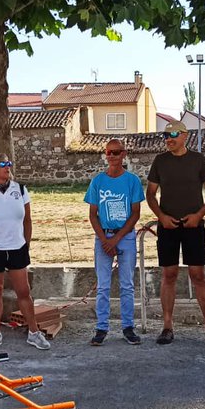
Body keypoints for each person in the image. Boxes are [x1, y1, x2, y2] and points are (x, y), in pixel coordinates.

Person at [146, 120, 205, 345]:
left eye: (172, 134)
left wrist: (198, 216)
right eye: (165, 135)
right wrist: (161, 217)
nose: (168, 139)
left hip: (193, 227)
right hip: (167, 227)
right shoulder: (160, 161)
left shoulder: (198, 160)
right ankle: (167, 327)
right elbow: (150, 194)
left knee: (198, 276)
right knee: (168, 276)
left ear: (184, 135)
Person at [0, 153, 51, 351]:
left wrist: (26, 243)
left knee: (23, 291)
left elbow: (27, 220)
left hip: (17, 247)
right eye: (3, 164)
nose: (8, 167)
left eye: (9, 163)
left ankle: (33, 332)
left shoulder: (20, 189)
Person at [84, 138, 144, 346]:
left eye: (116, 152)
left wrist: (116, 239)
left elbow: (135, 214)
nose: (112, 156)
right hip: (103, 236)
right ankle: (102, 327)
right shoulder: (97, 182)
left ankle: (128, 326)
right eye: (109, 152)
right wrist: (104, 240)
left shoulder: (132, 181)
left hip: (125, 237)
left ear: (124, 154)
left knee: (127, 285)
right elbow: (93, 214)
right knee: (103, 285)